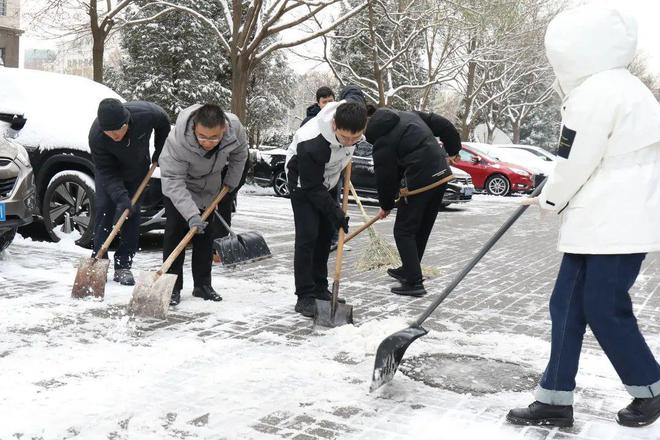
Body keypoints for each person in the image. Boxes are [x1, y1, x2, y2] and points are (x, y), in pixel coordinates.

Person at [507, 6, 660, 428]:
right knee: (567, 305)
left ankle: (652, 388)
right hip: (601, 223)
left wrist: (550, 199)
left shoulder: (598, 91)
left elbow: (576, 160)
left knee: (603, 307)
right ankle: (554, 399)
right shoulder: (624, 88)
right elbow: (584, 160)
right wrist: (552, 186)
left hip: (615, 225)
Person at [286, 85, 367, 317]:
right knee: (308, 235)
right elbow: (312, 187)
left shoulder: (353, 114)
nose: (350, 142)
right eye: (345, 137)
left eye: (356, 137)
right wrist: (336, 212)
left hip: (329, 180)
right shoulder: (311, 142)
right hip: (304, 183)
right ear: (334, 125)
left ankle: (320, 288)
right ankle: (304, 295)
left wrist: (333, 215)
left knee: (325, 236)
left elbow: (355, 93)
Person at [159, 103, 248, 306]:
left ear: (223, 129)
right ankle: (172, 286)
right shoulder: (178, 142)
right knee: (175, 232)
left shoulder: (235, 129)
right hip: (180, 186)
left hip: (210, 186)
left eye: (214, 138)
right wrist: (191, 215)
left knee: (206, 236)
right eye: (202, 137)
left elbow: (240, 154)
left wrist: (231, 183)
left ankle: (202, 285)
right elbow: (173, 181)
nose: (208, 142)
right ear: (194, 128)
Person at [365, 107, 460, 297]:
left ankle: (414, 282)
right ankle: (410, 269)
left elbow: (386, 176)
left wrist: (386, 205)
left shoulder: (381, 140)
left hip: (420, 181)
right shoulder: (408, 115)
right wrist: (453, 150)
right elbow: (444, 125)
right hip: (441, 175)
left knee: (403, 230)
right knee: (422, 226)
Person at [89, 98, 170, 285]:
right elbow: (107, 172)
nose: (114, 136)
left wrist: (160, 150)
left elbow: (163, 121)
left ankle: (123, 264)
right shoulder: (97, 136)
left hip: (137, 170)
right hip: (110, 173)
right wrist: (120, 196)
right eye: (109, 133)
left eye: (118, 131)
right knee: (104, 211)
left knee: (131, 215)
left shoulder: (146, 114)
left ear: (126, 122)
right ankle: (98, 260)